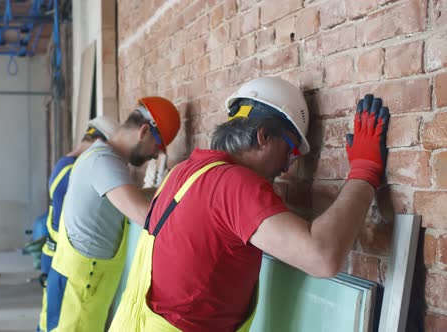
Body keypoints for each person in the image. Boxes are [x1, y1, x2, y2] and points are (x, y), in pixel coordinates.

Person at [110, 76, 390, 332]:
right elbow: (322, 257)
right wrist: (364, 172)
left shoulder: (182, 172)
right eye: (291, 152)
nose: (286, 167)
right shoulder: (234, 184)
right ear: (263, 136)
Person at [46, 96, 181, 331]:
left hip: (84, 284)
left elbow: (133, 196)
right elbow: (144, 215)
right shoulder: (103, 162)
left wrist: (173, 185)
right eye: (157, 148)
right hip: (78, 290)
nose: (154, 156)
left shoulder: (107, 160)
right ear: (144, 131)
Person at [37, 115, 118, 332]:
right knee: (59, 325)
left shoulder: (64, 164)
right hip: (65, 264)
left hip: (55, 258)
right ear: (100, 143)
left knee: (50, 323)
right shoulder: (75, 171)